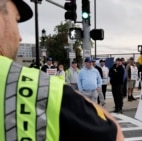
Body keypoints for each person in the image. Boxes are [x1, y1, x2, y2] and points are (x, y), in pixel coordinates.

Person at [0, 1, 124, 140]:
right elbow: (114, 135)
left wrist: (96, 89)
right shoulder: (47, 89)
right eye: (16, 21)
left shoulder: (95, 71)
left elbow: (99, 79)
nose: (20, 37)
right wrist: (77, 95)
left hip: (93, 91)